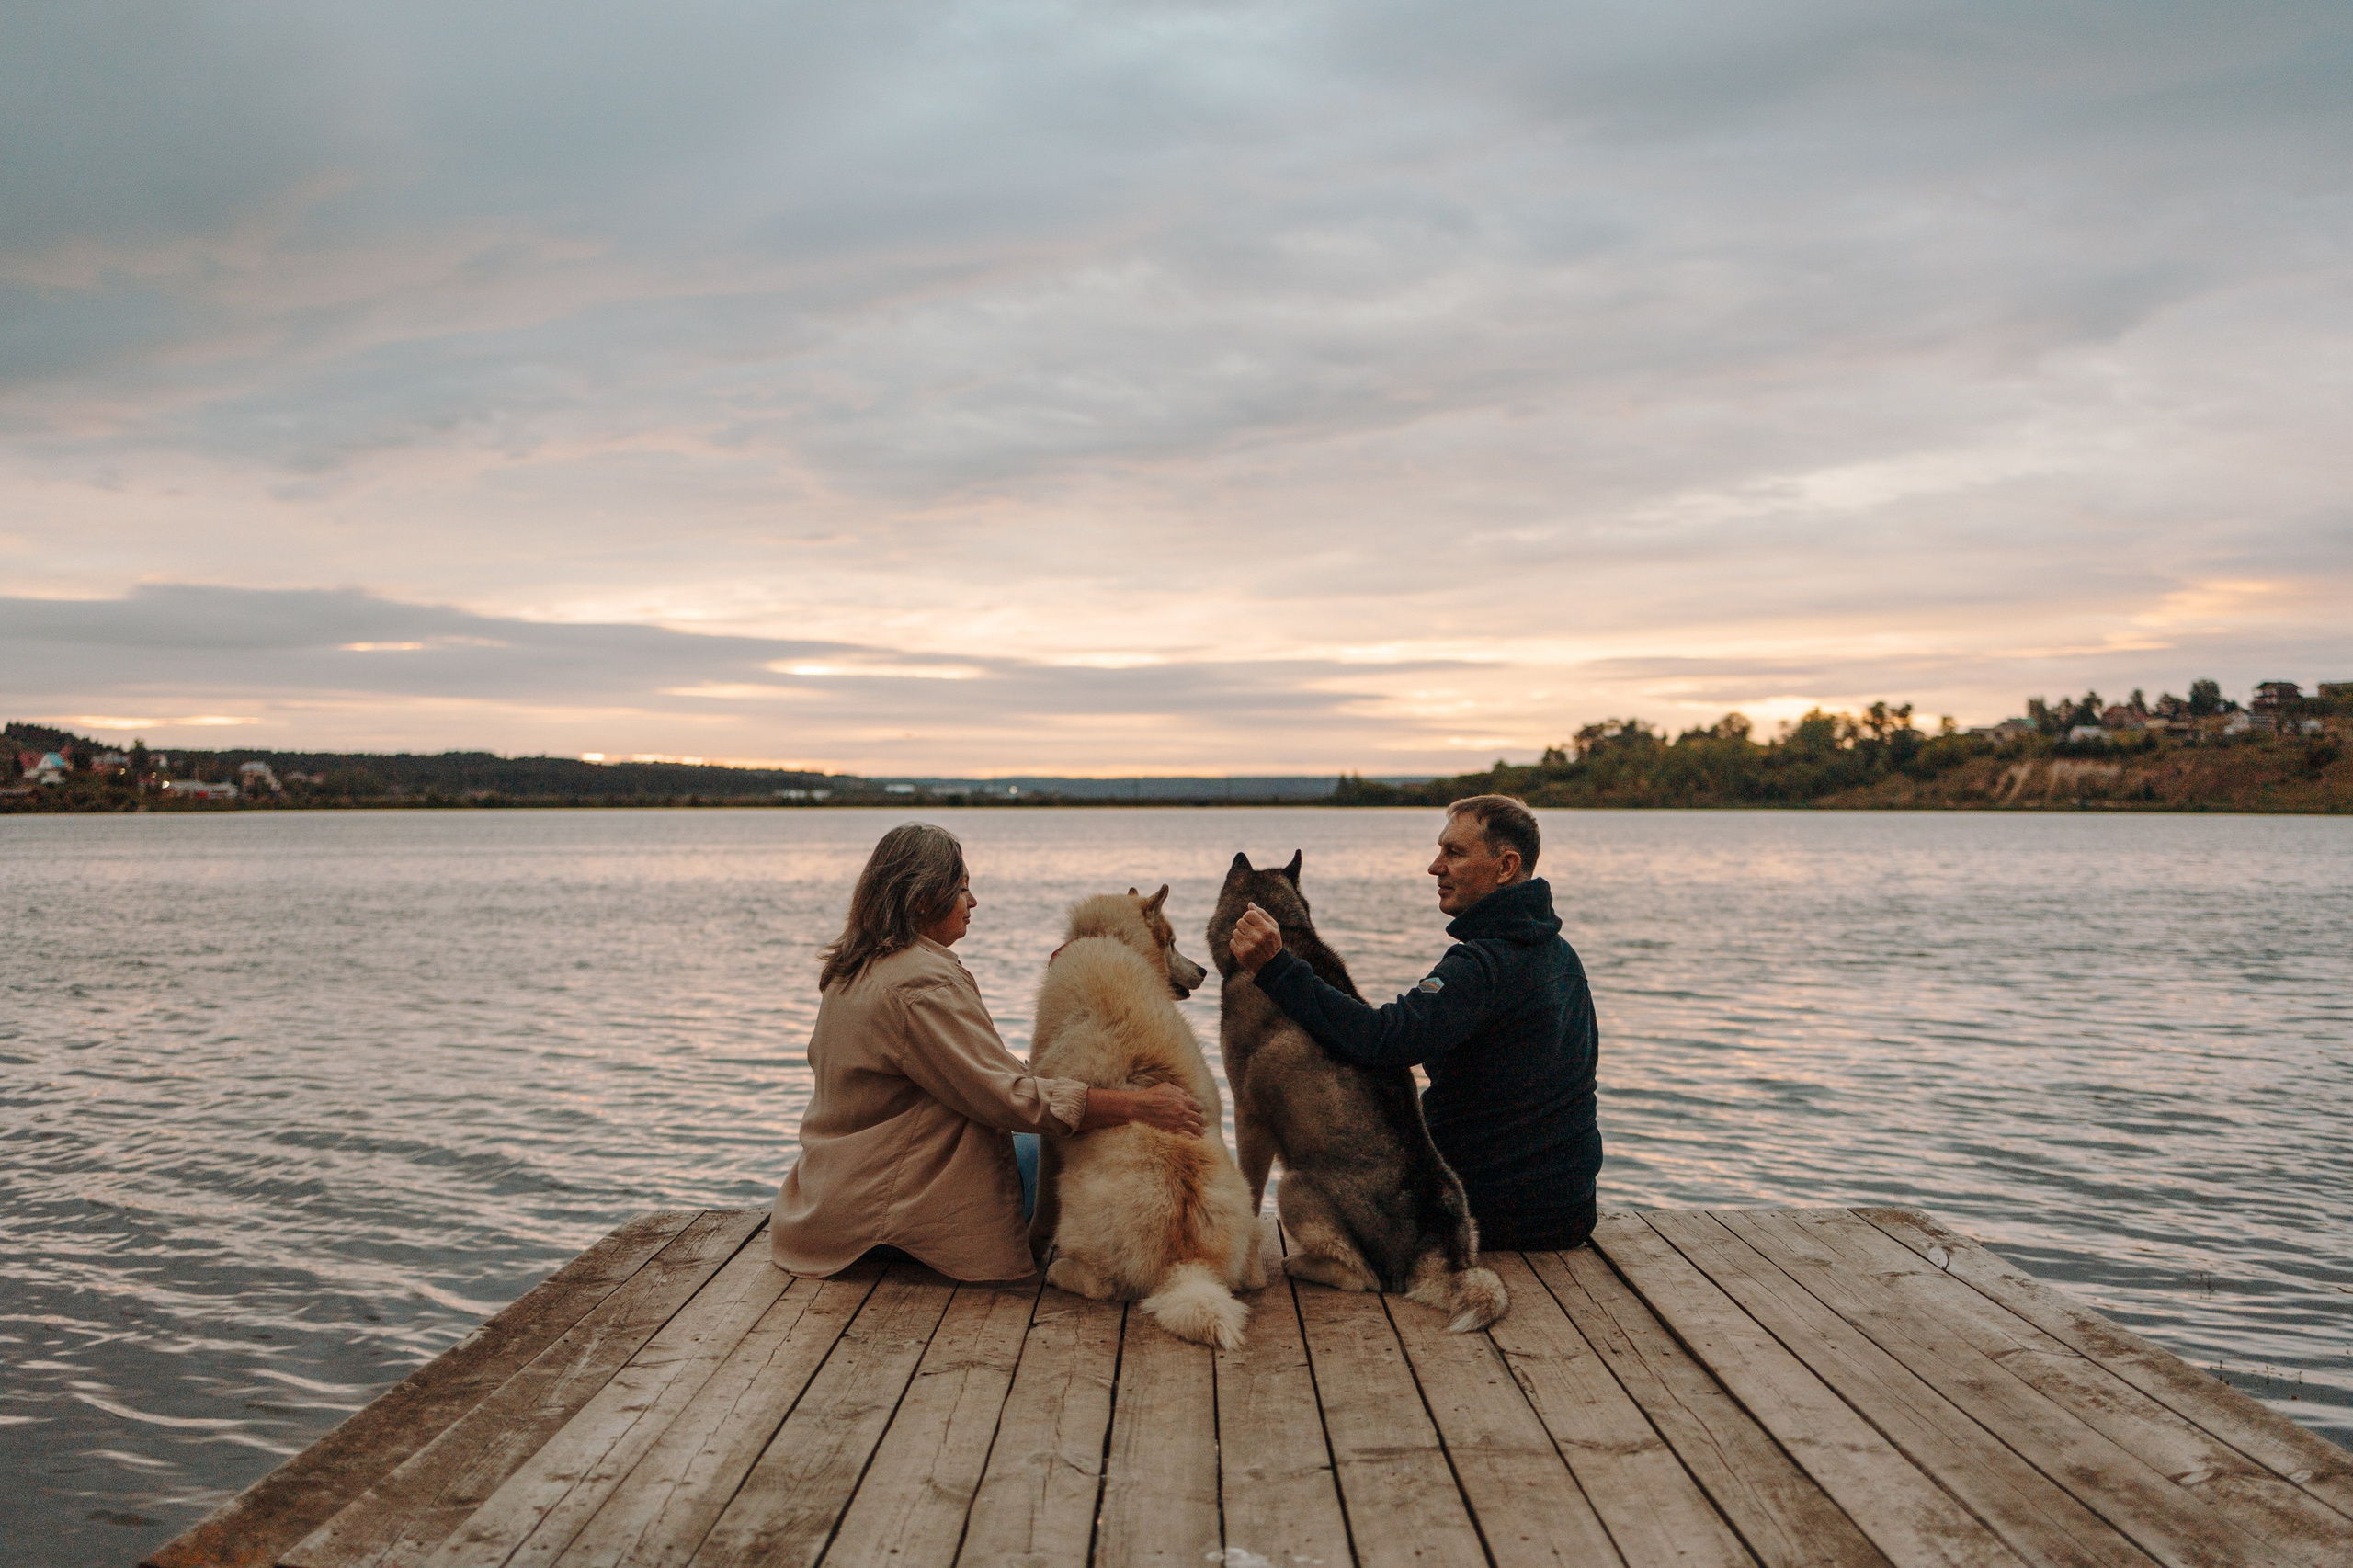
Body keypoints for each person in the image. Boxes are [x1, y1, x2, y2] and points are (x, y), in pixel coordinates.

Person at [771, 823, 1204, 1280]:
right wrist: (1139, 1105)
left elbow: (973, 1073)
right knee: (1067, 1141)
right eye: (962, 889)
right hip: (884, 1214)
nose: (972, 903)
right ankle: (1136, 1260)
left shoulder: (854, 968)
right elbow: (1009, 1100)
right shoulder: (921, 985)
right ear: (922, 898)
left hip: (829, 1199)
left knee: (1056, 1129)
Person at [1227, 795, 1602, 1251]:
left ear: (1505, 867)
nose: (1435, 866)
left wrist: (1277, 968)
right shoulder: (1560, 955)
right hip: (1568, 1212)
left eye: (1454, 853)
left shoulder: (1483, 965)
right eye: (1440, 850)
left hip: (1490, 1216)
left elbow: (1381, 1040)